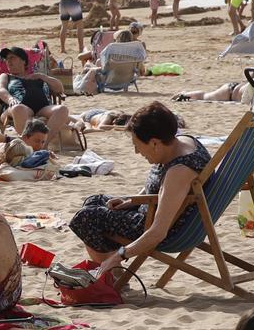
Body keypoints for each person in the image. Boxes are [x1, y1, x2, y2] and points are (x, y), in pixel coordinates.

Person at [69, 102, 209, 267]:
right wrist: (131, 201)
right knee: (94, 201)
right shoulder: (184, 142)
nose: (137, 152)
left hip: (159, 228)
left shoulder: (179, 172)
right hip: (151, 209)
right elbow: (161, 191)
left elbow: (158, 232)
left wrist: (118, 257)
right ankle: (111, 272)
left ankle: (112, 272)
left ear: (155, 143)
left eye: (137, 145)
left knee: (87, 218)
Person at [0, 45, 71, 141]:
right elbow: (0, 90)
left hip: (42, 108)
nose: (8, 61)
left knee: (62, 109)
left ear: (23, 61)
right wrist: (10, 98)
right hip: (17, 107)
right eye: (6, 59)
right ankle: (27, 145)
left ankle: (44, 144)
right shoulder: (6, 76)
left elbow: (60, 89)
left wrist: (42, 76)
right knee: (19, 108)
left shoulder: (37, 76)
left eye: (12, 58)